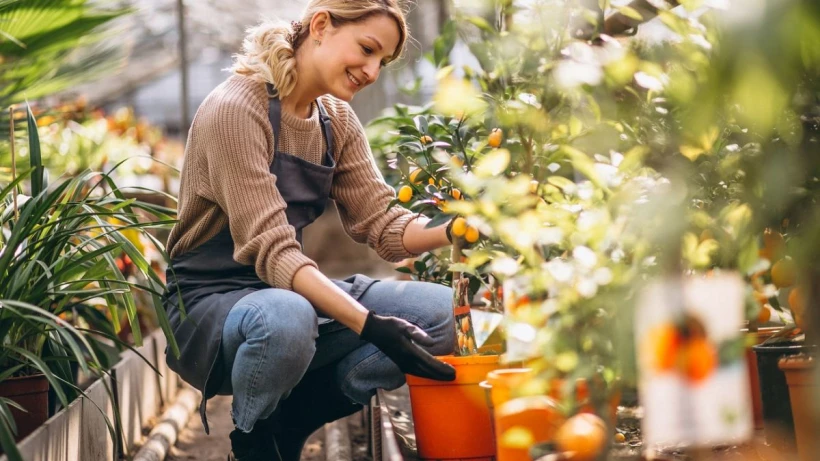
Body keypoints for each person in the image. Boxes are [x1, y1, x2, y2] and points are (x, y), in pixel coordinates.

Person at [162, 1, 460, 460]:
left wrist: (458, 228)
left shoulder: (333, 118)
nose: (373, 70)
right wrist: (371, 326)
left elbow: (382, 223)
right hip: (210, 306)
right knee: (286, 317)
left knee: (441, 313)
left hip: (289, 294)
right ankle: (253, 438)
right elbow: (275, 251)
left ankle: (294, 417)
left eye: (382, 60)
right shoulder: (236, 109)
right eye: (367, 49)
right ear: (321, 25)